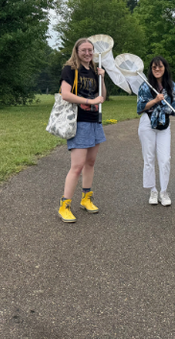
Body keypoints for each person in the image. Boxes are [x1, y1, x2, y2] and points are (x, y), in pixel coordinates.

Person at [58, 38, 106, 223]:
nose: (87, 53)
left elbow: (102, 96)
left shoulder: (94, 70)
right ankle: (65, 205)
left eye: (90, 50)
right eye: (84, 50)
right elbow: (65, 94)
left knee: (91, 163)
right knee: (77, 166)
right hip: (79, 122)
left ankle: (86, 198)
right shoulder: (70, 69)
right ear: (77, 51)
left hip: (95, 121)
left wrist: (102, 78)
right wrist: (89, 102)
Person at [137, 56, 175, 206]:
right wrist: (155, 100)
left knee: (165, 159)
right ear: (151, 70)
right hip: (147, 123)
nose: (157, 69)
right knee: (149, 159)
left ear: (165, 68)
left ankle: (164, 191)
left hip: (164, 124)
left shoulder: (171, 86)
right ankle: (153, 190)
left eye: (160, 67)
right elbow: (140, 107)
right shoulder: (145, 86)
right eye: (154, 67)